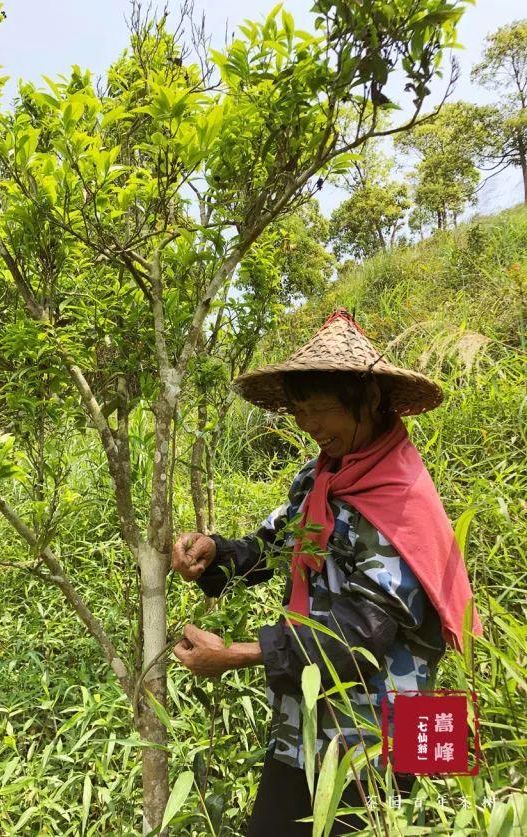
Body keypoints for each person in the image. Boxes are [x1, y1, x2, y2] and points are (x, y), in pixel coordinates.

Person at [171, 309, 482, 836]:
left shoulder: (401, 501)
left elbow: (360, 635)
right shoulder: (319, 478)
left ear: (370, 402)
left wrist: (239, 655)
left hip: (381, 730)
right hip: (309, 717)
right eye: (299, 412)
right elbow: (267, 548)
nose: (310, 426)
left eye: (321, 410)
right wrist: (213, 552)